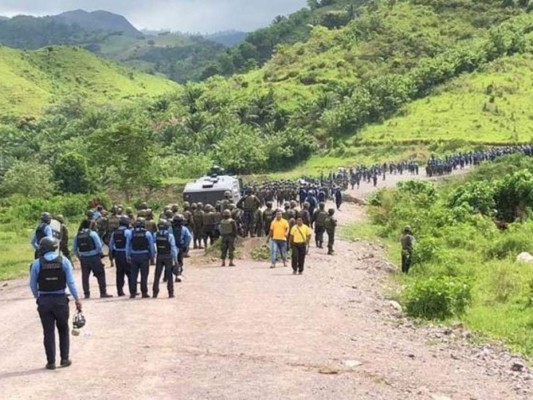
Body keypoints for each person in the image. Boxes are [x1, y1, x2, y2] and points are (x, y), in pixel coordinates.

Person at [30, 237, 82, 370]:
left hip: (44, 301)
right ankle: (64, 359)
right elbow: (71, 282)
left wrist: (38, 297)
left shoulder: (36, 263)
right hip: (60, 300)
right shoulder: (64, 261)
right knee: (63, 329)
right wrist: (77, 298)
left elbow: (32, 284)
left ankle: (51, 362)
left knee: (48, 332)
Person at [72, 220, 112, 299]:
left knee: (85, 276)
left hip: (83, 258)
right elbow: (99, 245)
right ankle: (103, 292)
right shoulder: (92, 234)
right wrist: (100, 254)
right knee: (100, 275)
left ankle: (86, 294)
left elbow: (74, 248)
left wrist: (79, 257)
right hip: (94, 257)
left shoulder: (77, 234)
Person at [126, 218, 155, 299]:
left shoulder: (131, 233)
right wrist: (152, 257)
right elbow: (151, 246)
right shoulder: (147, 233)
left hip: (134, 256)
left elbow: (128, 245)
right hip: (144, 256)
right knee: (144, 275)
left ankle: (133, 293)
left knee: (133, 275)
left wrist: (127, 256)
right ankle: (144, 292)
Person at [153, 219, 178, 298]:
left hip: (159, 256)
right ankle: (170, 293)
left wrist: (153, 256)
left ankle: (155, 293)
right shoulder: (170, 236)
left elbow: (154, 247)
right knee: (169, 275)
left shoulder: (155, 235)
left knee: (157, 275)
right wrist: (175, 260)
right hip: (168, 256)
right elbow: (173, 249)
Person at [109, 215, 131, 297]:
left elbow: (111, 245)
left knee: (119, 273)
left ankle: (120, 291)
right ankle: (132, 290)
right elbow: (130, 244)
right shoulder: (128, 232)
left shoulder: (114, 232)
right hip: (125, 254)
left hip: (117, 254)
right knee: (130, 273)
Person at [170, 215, 192, 282]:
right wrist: (186, 246)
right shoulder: (184, 229)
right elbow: (188, 237)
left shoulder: (170, 229)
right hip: (180, 247)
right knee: (179, 262)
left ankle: (167, 276)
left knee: (170, 262)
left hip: (171, 248)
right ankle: (178, 275)